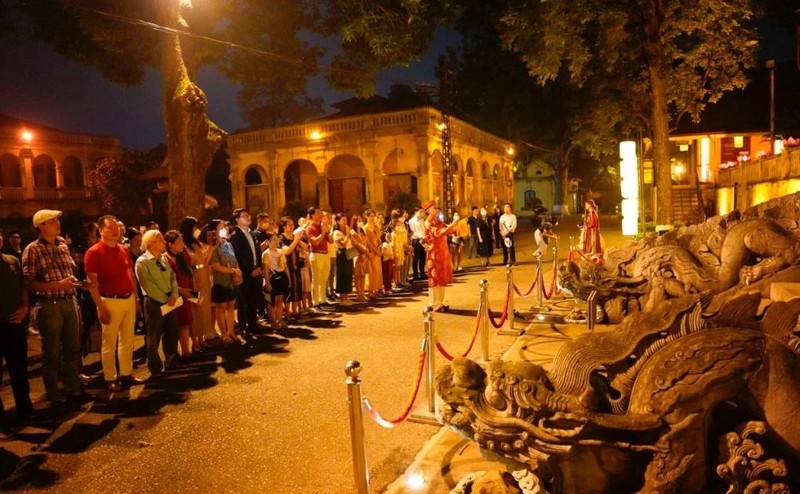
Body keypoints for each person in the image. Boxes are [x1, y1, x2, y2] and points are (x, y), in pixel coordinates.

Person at [22, 210, 85, 408]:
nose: (58, 223)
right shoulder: (32, 250)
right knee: (51, 352)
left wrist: (74, 283)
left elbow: (69, 272)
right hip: (50, 305)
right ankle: (54, 394)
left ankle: (73, 388)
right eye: (52, 221)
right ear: (41, 226)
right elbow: (30, 283)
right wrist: (59, 285)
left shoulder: (63, 245)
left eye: (57, 220)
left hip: (69, 301)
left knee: (72, 348)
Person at [84, 215, 144, 392]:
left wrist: (136, 297)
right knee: (109, 342)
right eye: (110, 227)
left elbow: (130, 274)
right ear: (100, 230)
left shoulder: (123, 249)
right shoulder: (94, 253)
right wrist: (100, 307)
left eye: (117, 227)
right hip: (109, 300)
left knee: (128, 340)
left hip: (128, 299)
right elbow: (92, 283)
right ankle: (110, 377)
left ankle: (126, 373)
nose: (115, 230)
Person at [0, 230, 32, 435]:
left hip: (14, 323)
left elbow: (23, 288)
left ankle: (25, 410)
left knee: (19, 370)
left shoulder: (12, 260)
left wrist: (24, 307)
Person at [135, 230, 180, 376]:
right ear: (151, 242)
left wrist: (173, 294)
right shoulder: (142, 262)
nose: (163, 242)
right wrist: (164, 298)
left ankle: (171, 359)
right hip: (154, 302)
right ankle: (155, 366)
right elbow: (148, 285)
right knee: (154, 334)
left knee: (172, 330)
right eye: (160, 239)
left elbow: (172, 276)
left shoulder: (163, 258)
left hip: (170, 300)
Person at [181, 217, 216, 349]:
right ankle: (195, 342)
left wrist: (212, 248)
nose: (197, 230)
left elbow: (204, 261)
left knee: (204, 308)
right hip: (194, 277)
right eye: (195, 227)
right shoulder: (184, 244)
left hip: (203, 275)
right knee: (195, 309)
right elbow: (190, 263)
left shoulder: (196, 243)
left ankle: (201, 339)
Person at [229, 208, 263, 337]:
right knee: (243, 301)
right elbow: (238, 256)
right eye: (244, 216)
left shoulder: (252, 233)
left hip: (256, 271)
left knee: (253, 299)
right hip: (244, 273)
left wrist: (258, 266)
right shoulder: (235, 236)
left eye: (248, 215)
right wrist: (250, 270)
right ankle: (243, 327)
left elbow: (257, 252)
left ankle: (253, 324)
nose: (248, 217)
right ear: (237, 219)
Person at [163, 230, 196, 359]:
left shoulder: (182, 257)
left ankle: (186, 351)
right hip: (175, 295)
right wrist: (182, 290)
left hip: (187, 293)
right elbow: (167, 280)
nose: (182, 244)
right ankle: (175, 354)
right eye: (178, 242)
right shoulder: (165, 258)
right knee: (176, 325)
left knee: (186, 323)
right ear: (170, 244)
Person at [209, 220, 242, 344]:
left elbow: (235, 260)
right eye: (221, 228)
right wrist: (232, 270)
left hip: (231, 281)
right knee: (221, 307)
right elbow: (216, 266)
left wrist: (237, 271)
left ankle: (231, 332)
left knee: (231, 307)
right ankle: (223, 333)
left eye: (224, 227)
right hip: (220, 281)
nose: (224, 229)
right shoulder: (213, 246)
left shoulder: (228, 244)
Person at [422, 200, 458, 312]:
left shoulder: (438, 221)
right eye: (434, 208)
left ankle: (440, 303)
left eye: (436, 208)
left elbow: (448, 230)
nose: (436, 210)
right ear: (428, 211)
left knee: (442, 278)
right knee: (434, 278)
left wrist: (456, 225)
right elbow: (439, 233)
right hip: (434, 253)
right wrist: (452, 224)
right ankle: (433, 304)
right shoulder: (428, 223)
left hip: (442, 252)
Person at [262, 232, 301, 329]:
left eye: (277, 239)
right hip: (272, 278)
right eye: (273, 240)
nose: (276, 242)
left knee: (280, 300)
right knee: (272, 302)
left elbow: (285, 267)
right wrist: (267, 283)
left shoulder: (280, 252)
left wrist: (288, 279)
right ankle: (274, 321)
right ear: (267, 242)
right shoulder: (266, 253)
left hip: (281, 278)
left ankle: (280, 319)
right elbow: (266, 270)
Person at [305, 207, 333, 308]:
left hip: (325, 254)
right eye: (318, 213)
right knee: (316, 279)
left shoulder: (322, 226)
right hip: (316, 254)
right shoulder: (309, 228)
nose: (320, 215)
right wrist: (322, 232)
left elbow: (331, 240)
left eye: (320, 213)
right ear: (312, 215)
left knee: (324, 278)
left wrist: (327, 231)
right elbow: (315, 242)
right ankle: (315, 301)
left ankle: (323, 299)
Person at [332, 214, 354, 306]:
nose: (345, 222)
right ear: (338, 221)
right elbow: (344, 244)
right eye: (343, 220)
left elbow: (350, 242)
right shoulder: (336, 232)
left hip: (349, 251)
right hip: (341, 253)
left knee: (349, 274)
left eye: (346, 220)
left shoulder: (346, 229)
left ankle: (347, 297)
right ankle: (342, 298)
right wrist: (348, 233)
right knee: (342, 274)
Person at [363, 209, 383, 297]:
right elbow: (368, 242)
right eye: (370, 216)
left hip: (377, 249)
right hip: (371, 251)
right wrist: (375, 250)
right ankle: (370, 290)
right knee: (372, 271)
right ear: (366, 217)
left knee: (377, 271)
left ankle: (375, 289)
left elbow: (378, 238)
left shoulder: (375, 227)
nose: (372, 218)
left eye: (373, 216)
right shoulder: (366, 228)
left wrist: (380, 246)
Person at [350, 216, 369, 303]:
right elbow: (356, 244)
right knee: (357, 275)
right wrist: (364, 251)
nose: (360, 222)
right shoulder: (352, 231)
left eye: (361, 220)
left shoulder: (362, 231)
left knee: (363, 274)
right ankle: (359, 294)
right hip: (356, 254)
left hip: (363, 254)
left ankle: (362, 292)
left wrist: (365, 252)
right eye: (359, 221)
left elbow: (365, 242)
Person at [408, 207, 427, 281]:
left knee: (423, 257)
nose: (421, 213)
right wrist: (420, 237)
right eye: (420, 211)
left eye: (422, 211)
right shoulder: (411, 221)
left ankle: (422, 273)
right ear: (416, 212)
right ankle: (415, 274)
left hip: (423, 240)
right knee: (416, 258)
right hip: (416, 240)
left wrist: (424, 238)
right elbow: (413, 231)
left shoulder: (422, 220)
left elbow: (424, 230)